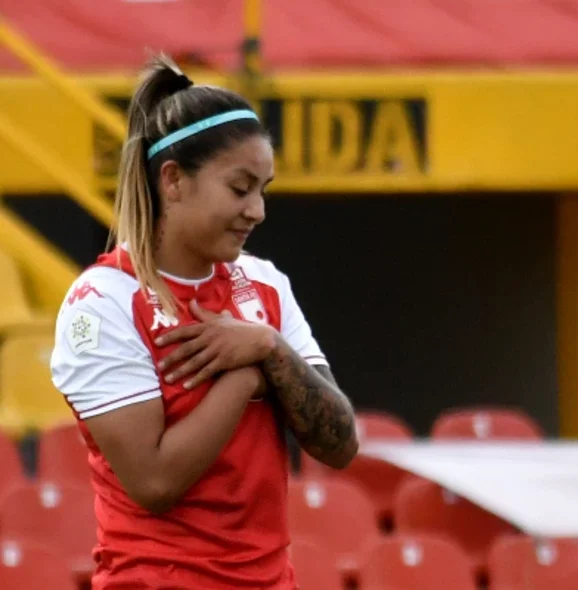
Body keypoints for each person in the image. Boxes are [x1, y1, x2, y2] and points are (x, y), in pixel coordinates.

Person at [49, 55, 360, 589]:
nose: (258, 210)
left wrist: (267, 347)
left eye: (263, 189)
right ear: (173, 180)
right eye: (240, 189)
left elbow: (340, 444)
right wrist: (245, 376)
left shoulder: (264, 286)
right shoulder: (102, 302)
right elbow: (155, 480)